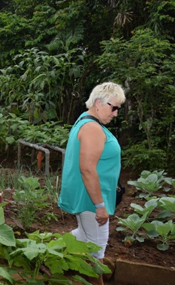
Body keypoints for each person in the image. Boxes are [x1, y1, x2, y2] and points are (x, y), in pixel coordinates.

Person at [58, 82, 125, 285]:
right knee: (96, 250)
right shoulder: (92, 128)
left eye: (118, 109)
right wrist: (100, 206)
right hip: (90, 199)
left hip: (87, 196)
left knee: (83, 235)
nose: (115, 113)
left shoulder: (86, 121)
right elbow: (87, 168)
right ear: (98, 103)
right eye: (114, 107)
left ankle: (47, 254)